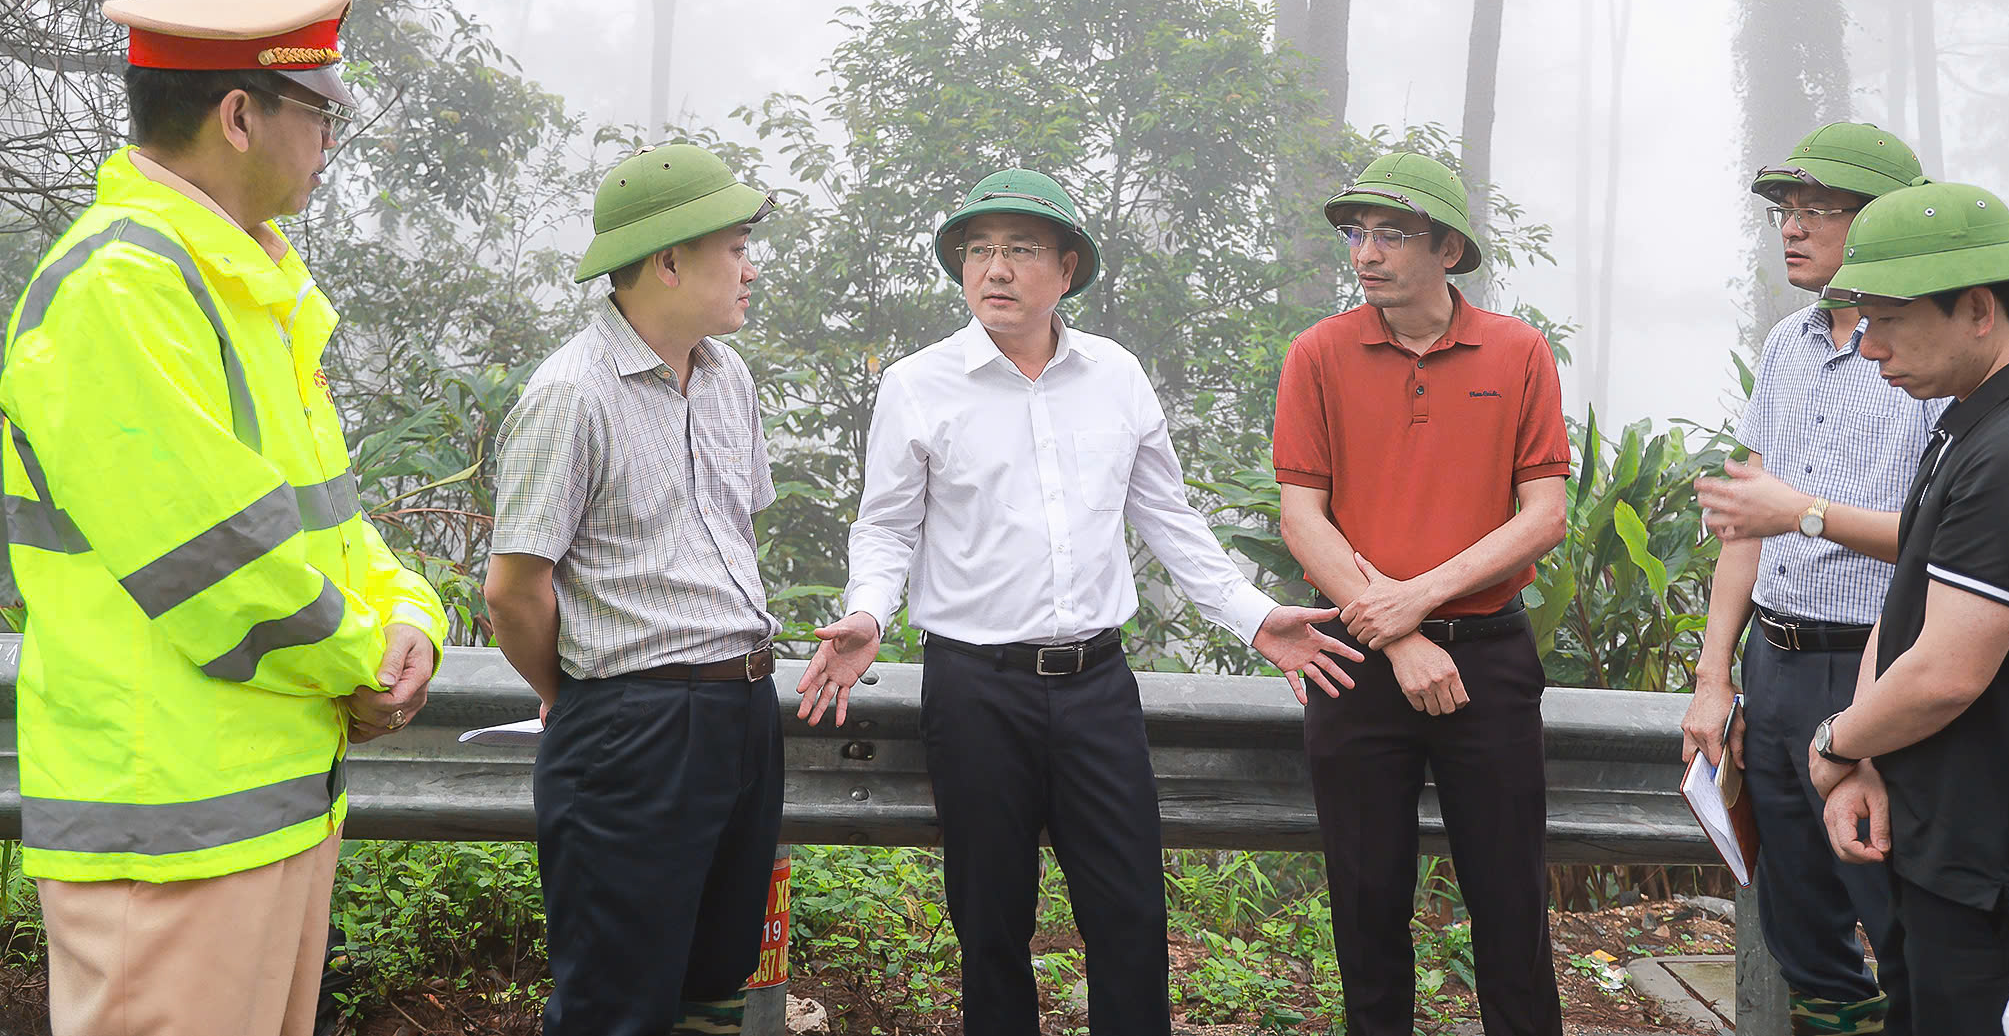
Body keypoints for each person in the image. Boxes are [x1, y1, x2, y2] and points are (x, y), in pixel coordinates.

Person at [795, 167, 1359, 1035]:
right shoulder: (918, 383)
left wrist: (1254, 617)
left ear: (1067, 269)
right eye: (978, 250)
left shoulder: (1116, 376)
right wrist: (869, 611)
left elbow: (1169, 519)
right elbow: (886, 526)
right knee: (991, 921)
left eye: (1021, 249)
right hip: (975, 688)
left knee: (1129, 914)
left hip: (1097, 687)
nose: (995, 269)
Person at [0, 0, 447, 1036]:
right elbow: (220, 560)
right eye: (318, 113)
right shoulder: (122, 287)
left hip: (270, 808)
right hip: (167, 829)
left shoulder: (245, 284)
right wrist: (366, 665)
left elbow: (329, 519)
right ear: (240, 117)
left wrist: (411, 615)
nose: (329, 140)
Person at [1803, 182, 2009, 1035]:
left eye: (1888, 319)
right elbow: (1907, 604)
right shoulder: (1970, 422)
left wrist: (1832, 743)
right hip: (1943, 848)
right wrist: (1866, 755)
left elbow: (1946, 672)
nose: (1870, 346)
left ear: (1979, 309)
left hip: (2007, 873)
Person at [484, 144, 782, 1036]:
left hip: (743, 708)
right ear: (669, 262)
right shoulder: (571, 393)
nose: (751, 268)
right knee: (617, 999)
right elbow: (514, 589)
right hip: (634, 725)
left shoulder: (728, 378)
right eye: (736, 248)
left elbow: (731, 535)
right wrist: (578, 694)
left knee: (714, 981)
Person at [1273, 152, 1570, 1036]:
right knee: (1366, 904)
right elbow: (1302, 517)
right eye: (1356, 232)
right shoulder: (1318, 353)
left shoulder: (1517, 351)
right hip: (1357, 662)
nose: (1366, 253)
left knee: (1511, 904)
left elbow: (1544, 514)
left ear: (1448, 249)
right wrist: (1399, 633)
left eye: (1392, 234)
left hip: (1489, 659)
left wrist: (1419, 598)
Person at [1683, 122, 1937, 1036]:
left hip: (1882, 663)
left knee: (1899, 912)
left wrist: (1802, 512)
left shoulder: (1929, 354)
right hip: (1777, 661)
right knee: (1798, 920)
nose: (1792, 227)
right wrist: (1714, 676)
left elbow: (1951, 542)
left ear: (1882, 220)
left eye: (1818, 209)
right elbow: (1747, 522)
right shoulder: (1787, 344)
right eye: (1785, 211)